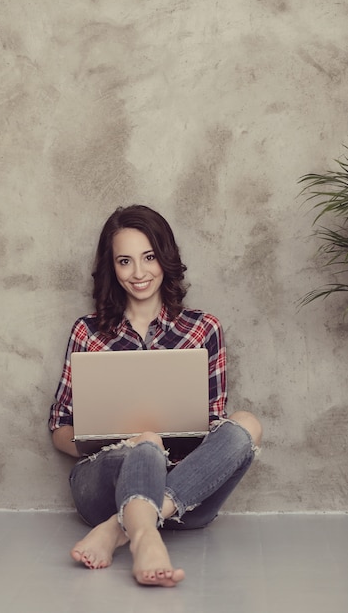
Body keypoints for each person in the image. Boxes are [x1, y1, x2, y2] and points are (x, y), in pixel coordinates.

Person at [48, 204, 262, 588]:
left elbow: (212, 426)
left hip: (185, 494)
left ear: (165, 257)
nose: (139, 272)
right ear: (112, 268)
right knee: (145, 441)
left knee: (248, 424)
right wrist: (124, 442)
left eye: (148, 257)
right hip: (102, 487)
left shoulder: (204, 329)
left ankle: (122, 530)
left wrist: (159, 444)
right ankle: (145, 537)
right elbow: (60, 429)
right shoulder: (88, 332)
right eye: (125, 261)